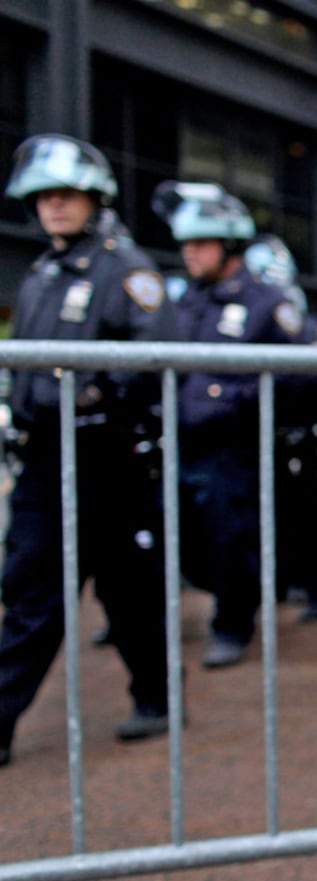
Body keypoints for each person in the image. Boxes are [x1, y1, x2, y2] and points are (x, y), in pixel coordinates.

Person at [0, 134, 178, 766]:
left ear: (95, 198)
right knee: (29, 593)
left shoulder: (126, 270)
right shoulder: (42, 274)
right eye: (44, 196)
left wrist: (96, 397)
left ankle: (157, 698)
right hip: (44, 462)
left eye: (67, 195)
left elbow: (154, 359)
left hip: (108, 461)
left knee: (129, 595)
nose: (54, 206)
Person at [154, 181, 306, 669]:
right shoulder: (185, 299)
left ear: (230, 245)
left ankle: (233, 625)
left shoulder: (267, 302)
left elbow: (295, 377)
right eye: (186, 244)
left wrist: (227, 399)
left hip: (234, 447)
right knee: (181, 537)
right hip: (183, 442)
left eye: (201, 243)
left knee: (230, 539)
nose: (190, 253)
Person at [243, 235, 317, 622]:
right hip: (260, 438)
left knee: (307, 518)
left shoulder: (300, 322)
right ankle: (283, 582)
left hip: (297, 436)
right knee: (270, 518)